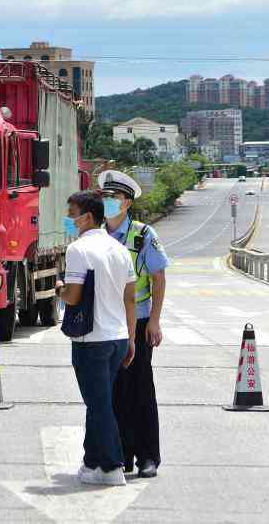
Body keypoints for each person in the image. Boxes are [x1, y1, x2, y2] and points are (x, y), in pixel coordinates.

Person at [59, 190, 136, 487]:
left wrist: (59, 288)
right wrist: (131, 338)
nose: (69, 220)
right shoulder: (119, 249)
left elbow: (73, 295)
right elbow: (130, 298)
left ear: (87, 216)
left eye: (72, 214)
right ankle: (92, 462)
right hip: (117, 337)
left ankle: (113, 466)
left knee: (99, 405)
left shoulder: (78, 249)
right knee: (99, 402)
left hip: (91, 340)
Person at [100, 170, 170, 479]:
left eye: (114, 197)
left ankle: (148, 457)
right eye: (105, 196)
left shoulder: (143, 235)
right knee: (113, 392)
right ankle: (121, 455)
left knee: (140, 389)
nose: (108, 202)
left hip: (138, 322)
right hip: (106, 323)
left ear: (127, 203)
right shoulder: (96, 234)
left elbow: (158, 277)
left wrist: (154, 320)